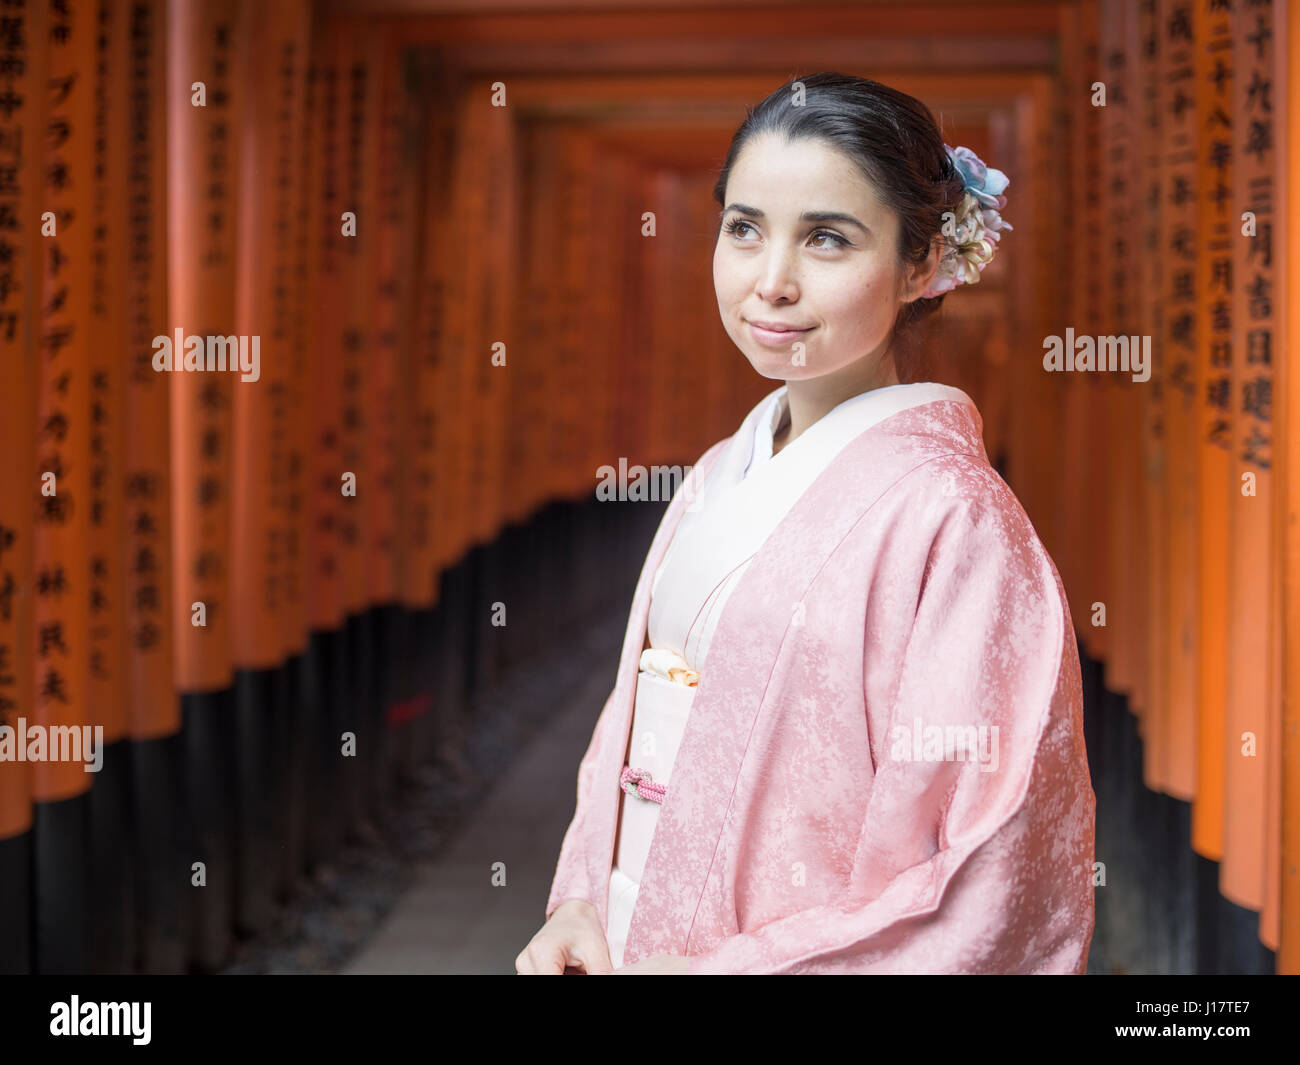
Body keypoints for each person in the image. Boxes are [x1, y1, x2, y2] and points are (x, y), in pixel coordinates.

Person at [516, 72, 1095, 975]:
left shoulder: (958, 519)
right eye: (744, 228)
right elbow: (628, 730)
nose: (771, 282)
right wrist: (582, 901)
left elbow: (990, 864)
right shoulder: (720, 470)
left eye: (827, 238)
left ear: (921, 261)